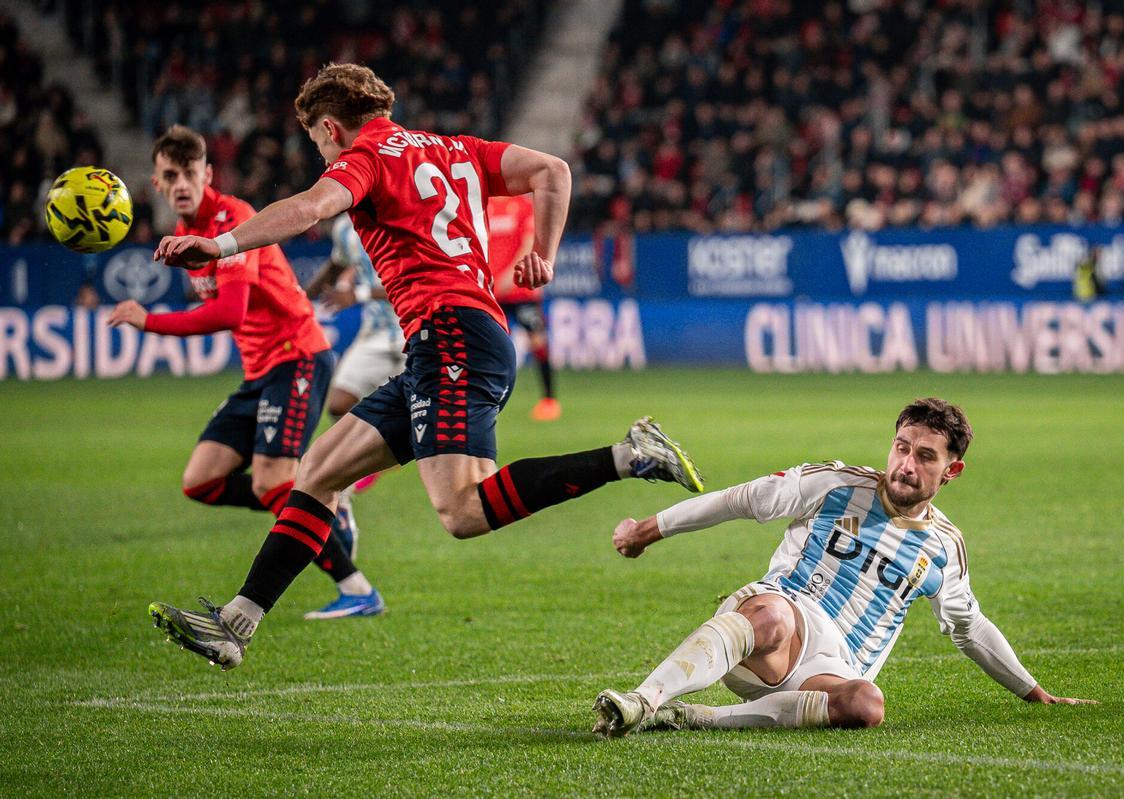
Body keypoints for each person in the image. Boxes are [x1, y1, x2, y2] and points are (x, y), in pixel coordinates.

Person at [146, 64, 703, 670]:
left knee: (462, 512)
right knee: (319, 469)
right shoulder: (452, 147)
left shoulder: (365, 156)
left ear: (330, 128)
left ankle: (630, 456)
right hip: (448, 340)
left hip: (451, 337)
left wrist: (222, 245)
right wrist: (540, 254)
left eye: (317, 143)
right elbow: (554, 171)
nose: (322, 154)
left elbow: (310, 208)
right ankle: (237, 622)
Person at [592, 398, 1095, 738]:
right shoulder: (836, 484)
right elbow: (741, 500)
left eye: (925, 457)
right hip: (779, 624)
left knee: (866, 705)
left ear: (951, 470)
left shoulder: (944, 548)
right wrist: (647, 530)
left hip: (830, 673)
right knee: (773, 617)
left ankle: (695, 717)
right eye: (902, 447)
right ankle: (644, 699)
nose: (906, 464)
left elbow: (970, 629)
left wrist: (1035, 693)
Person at [111, 125, 384, 622]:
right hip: (261, 369)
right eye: (170, 175)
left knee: (268, 483)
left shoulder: (232, 220)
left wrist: (146, 320)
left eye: (190, 172)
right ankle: (322, 500)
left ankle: (357, 587)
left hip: (296, 355)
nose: (181, 183)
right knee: (201, 480)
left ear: (207, 174)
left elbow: (230, 313)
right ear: (156, 183)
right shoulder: (189, 231)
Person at [304, 212, 407, 497]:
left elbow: (412, 279)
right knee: (339, 403)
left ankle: (384, 456)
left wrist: (358, 294)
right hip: (374, 334)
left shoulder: (400, 215)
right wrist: (298, 298)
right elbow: (336, 266)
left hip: (413, 329)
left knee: (425, 417)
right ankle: (373, 458)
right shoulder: (345, 227)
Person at [488, 193, 559, 421]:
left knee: (537, 341)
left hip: (521, 289)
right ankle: (488, 400)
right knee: (490, 347)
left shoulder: (522, 206)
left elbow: (529, 243)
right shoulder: (483, 204)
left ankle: (549, 400)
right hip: (492, 290)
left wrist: (512, 274)